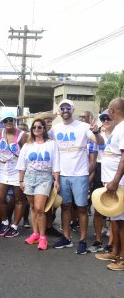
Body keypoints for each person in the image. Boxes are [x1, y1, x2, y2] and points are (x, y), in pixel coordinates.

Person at [49, 99, 104, 254]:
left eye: (67, 107)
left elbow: (99, 142)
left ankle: (82, 241)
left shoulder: (84, 127)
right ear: (59, 111)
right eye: (62, 108)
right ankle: (66, 238)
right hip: (62, 175)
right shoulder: (55, 129)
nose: (65, 110)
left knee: (81, 208)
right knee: (65, 207)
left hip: (80, 174)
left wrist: (96, 132)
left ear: (72, 109)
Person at [17, 119, 60, 250]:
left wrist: (56, 180)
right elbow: (21, 165)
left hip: (45, 177)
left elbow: (56, 163)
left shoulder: (51, 144)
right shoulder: (27, 145)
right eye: (34, 127)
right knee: (32, 207)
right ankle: (35, 234)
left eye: (39, 127)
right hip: (29, 177)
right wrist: (21, 180)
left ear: (44, 129)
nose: (37, 129)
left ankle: (43, 237)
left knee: (40, 208)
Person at [97, 98, 124, 270]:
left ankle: (122, 258)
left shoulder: (123, 128)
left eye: (108, 110)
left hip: (119, 182)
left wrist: (115, 180)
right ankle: (115, 252)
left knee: (122, 221)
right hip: (112, 181)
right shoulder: (118, 128)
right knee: (115, 219)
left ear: (113, 110)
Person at [0, 112, 28, 238]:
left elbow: (27, 153)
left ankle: (14, 226)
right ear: (2, 123)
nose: (8, 122)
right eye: (5, 120)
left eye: (11, 119)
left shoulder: (23, 135)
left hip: (17, 170)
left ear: (14, 121)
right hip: (2, 169)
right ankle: (5, 222)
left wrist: (24, 173)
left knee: (19, 199)